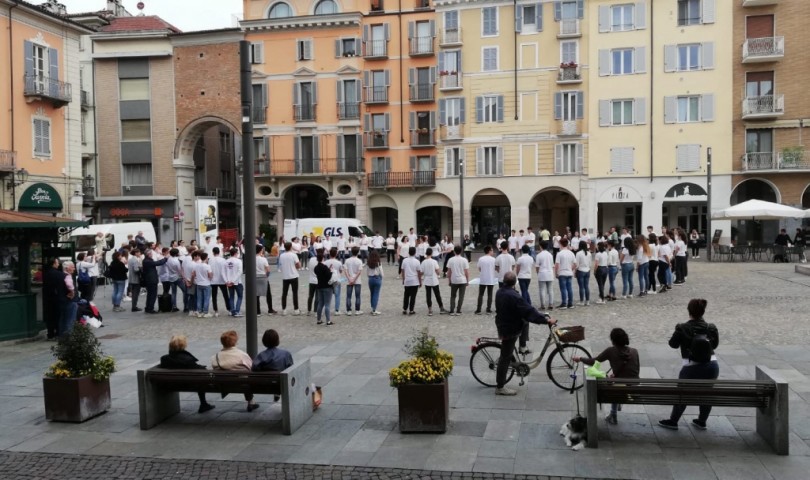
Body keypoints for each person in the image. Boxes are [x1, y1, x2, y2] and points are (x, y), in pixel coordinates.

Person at [659, 299, 719, 431]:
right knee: (707, 393)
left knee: (682, 392)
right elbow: (714, 345)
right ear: (703, 311)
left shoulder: (683, 327)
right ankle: (701, 421)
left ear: (689, 311)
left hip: (691, 365)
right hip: (712, 364)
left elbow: (673, 344)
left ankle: (673, 421)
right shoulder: (711, 327)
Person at [494, 271, 557, 395]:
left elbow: (525, 311)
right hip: (509, 328)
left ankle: (522, 347)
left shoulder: (500, 291)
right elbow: (528, 311)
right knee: (505, 358)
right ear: (515, 283)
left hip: (504, 324)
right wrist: (546, 320)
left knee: (524, 325)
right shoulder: (514, 296)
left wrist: (540, 316)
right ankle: (500, 386)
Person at [573, 328, 640, 425]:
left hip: (618, 389)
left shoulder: (611, 351)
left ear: (613, 340)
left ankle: (613, 413)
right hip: (634, 388)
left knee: (612, 384)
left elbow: (593, 361)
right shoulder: (635, 351)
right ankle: (615, 409)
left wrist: (580, 358)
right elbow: (635, 371)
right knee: (617, 383)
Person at [160, 335, 215, 413]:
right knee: (202, 378)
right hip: (190, 384)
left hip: (170, 385)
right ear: (183, 345)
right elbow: (200, 372)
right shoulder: (188, 360)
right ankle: (203, 404)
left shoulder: (164, 359)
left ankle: (204, 404)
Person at [211, 330, 259, 412]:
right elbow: (251, 367)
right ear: (235, 342)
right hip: (242, 384)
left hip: (223, 384)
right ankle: (250, 401)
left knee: (243, 376)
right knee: (246, 376)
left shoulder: (215, 357)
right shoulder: (241, 355)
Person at [419, 247, 447, 316]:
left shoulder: (423, 262)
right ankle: (441, 308)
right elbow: (438, 271)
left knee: (428, 295)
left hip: (427, 280)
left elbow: (421, 273)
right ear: (431, 253)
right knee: (437, 295)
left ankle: (430, 309)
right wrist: (439, 273)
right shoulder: (434, 261)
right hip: (434, 280)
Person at [278, 242, 302, 315]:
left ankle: (284, 309)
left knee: (284, 293)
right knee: (295, 293)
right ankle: (296, 309)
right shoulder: (293, 255)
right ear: (291, 247)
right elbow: (298, 265)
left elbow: (280, 265)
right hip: (293, 275)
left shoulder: (281, 255)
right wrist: (297, 267)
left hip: (285, 276)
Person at [142, 249, 168, 314]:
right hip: (151, 280)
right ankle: (150, 308)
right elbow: (158, 263)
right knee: (152, 295)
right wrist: (165, 258)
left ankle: (148, 307)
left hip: (150, 280)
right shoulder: (147, 261)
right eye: (151, 254)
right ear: (148, 254)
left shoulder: (147, 260)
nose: (152, 255)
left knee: (150, 294)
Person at [42, 258, 64, 339]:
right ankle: (58, 331)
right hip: (57, 297)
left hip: (48, 297)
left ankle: (50, 332)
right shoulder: (59, 274)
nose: (58, 264)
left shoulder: (46, 273)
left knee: (50, 315)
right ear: (53, 264)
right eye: (57, 263)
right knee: (57, 315)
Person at [447, 245, 470, 316]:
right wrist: (467, 280)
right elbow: (466, 272)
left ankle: (451, 310)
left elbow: (449, 272)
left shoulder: (450, 260)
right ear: (461, 251)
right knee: (461, 296)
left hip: (454, 280)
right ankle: (458, 310)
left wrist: (449, 280)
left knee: (453, 296)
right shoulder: (464, 260)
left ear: (454, 251)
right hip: (462, 280)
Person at [209, 247, 231, 317]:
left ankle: (216, 311)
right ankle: (229, 309)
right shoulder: (223, 260)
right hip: (222, 279)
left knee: (214, 296)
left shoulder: (210, 260)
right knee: (225, 295)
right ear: (219, 252)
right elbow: (226, 270)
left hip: (213, 280)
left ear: (213, 252)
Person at [475, 245, 496, 315]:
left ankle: (478, 309)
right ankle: (488, 309)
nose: (493, 251)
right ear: (489, 251)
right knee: (490, 294)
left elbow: (479, 268)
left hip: (483, 278)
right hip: (491, 279)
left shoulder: (481, 259)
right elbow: (495, 268)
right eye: (492, 250)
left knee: (481, 294)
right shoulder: (493, 259)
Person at [554, 238, 575, 309]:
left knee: (563, 289)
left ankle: (564, 303)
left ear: (561, 244)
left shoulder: (559, 254)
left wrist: (556, 273)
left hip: (562, 273)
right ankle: (570, 303)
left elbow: (557, 265)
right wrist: (571, 269)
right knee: (569, 288)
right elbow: (575, 264)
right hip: (569, 272)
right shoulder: (571, 253)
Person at [255, 245, 276, 315]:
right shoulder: (263, 259)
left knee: (256, 295)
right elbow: (268, 269)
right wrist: (266, 276)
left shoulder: (251, 259)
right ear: (261, 250)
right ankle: (270, 309)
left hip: (255, 277)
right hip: (263, 276)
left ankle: (258, 311)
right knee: (268, 294)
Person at [58, 261, 77, 337]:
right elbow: (69, 285)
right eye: (72, 267)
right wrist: (72, 292)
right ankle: (69, 337)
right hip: (69, 301)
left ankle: (62, 336)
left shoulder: (60, 275)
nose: (74, 268)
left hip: (61, 300)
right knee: (70, 319)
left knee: (62, 319)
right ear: (67, 268)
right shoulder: (67, 276)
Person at [314, 252, 333, 325]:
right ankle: (328, 320)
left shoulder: (316, 268)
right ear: (323, 258)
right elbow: (329, 276)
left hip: (319, 286)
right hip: (327, 287)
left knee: (320, 303)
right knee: (327, 304)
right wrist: (330, 270)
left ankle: (319, 319)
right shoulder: (325, 267)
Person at [191, 252, 213, 317]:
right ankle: (205, 312)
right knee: (206, 298)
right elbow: (210, 275)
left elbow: (193, 274)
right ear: (206, 258)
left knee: (199, 298)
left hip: (199, 283)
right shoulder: (208, 266)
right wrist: (211, 275)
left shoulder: (196, 265)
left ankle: (199, 311)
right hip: (206, 284)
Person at [224, 247, 244, 317]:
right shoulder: (238, 261)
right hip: (237, 281)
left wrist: (226, 281)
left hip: (229, 281)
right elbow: (240, 272)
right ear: (235, 253)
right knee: (240, 296)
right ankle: (237, 311)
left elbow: (223, 272)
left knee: (231, 296)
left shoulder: (226, 261)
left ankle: (232, 310)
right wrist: (233, 281)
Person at [534, 242, 554, 310]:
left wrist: (538, 273)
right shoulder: (550, 255)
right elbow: (552, 265)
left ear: (540, 246)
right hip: (550, 273)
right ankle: (551, 304)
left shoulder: (539, 255)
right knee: (550, 290)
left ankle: (543, 305)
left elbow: (537, 266)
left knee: (542, 290)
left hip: (542, 273)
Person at [344, 247, 364, 315]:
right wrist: (354, 279)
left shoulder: (347, 260)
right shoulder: (359, 261)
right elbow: (359, 272)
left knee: (348, 296)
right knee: (357, 296)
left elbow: (345, 271)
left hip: (349, 280)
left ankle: (349, 310)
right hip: (357, 280)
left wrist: (349, 278)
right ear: (358, 252)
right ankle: (357, 310)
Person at [401, 246, 421, 315]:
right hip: (415, 281)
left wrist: (403, 279)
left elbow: (402, 271)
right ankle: (411, 310)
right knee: (413, 296)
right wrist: (420, 282)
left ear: (408, 252)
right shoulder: (417, 261)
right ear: (415, 253)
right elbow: (419, 273)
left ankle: (405, 309)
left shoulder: (404, 260)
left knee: (406, 295)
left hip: (407, 280)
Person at [366, 249, 384, 315]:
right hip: (377, 278)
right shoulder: (378, 262)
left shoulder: (368, 262)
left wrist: (369, 276)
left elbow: (367, 272)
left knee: (372, 293)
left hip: (370, 278)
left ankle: (372, 307)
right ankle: (374, 309)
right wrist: (382, 277)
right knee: (376, 294)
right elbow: (381, 271)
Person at [574, 242, 591, 306]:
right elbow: (589, 263)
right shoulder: (589, 253)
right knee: (586, 286)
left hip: (580, 270)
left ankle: (581, 301)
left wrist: (575, 271)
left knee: (581, 287)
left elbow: (577, 264)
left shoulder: (578, 253)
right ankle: (587, 301)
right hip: (587, 270)